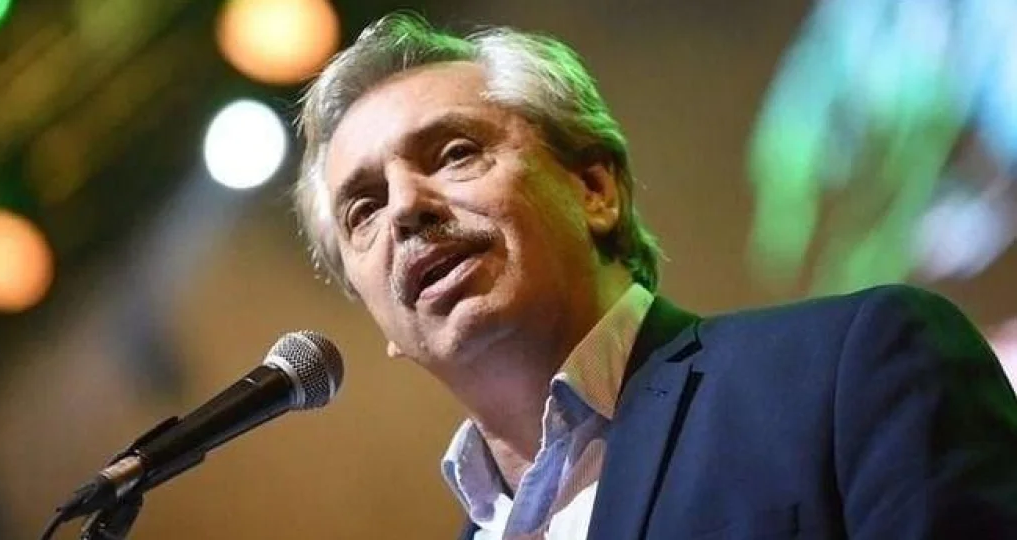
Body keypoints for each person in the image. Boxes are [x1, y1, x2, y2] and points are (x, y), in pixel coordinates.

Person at [290, 12, 1017, 539]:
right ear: (378, 318)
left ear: (594, 190)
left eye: (454, 154)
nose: (405, 209)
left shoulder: (851, 368)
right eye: (363, 209)